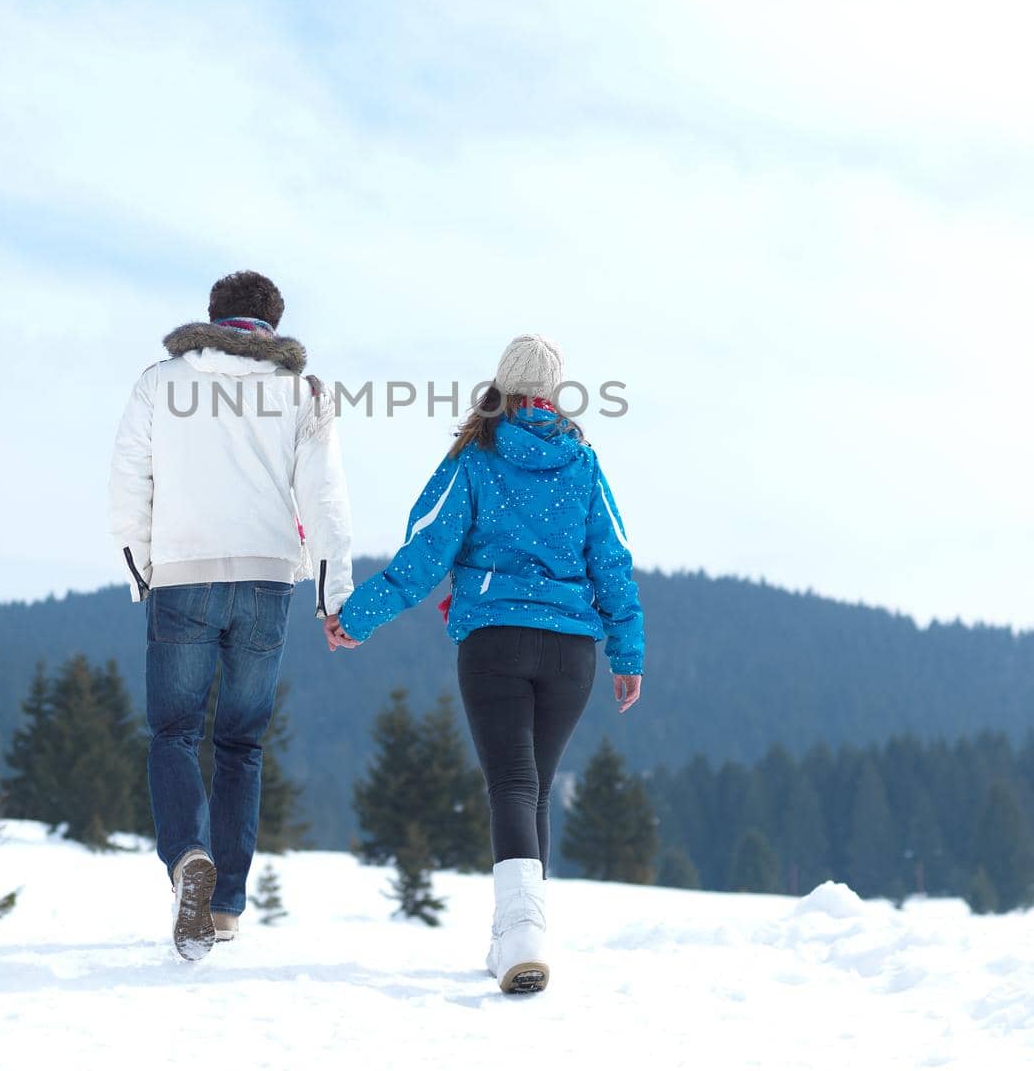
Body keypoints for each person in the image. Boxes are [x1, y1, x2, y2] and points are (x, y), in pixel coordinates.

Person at [331, 334, 643, 995]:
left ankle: (521, 932)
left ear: (500, 385)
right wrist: (627, 651)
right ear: (555, 395)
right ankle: (518, 933)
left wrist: (354, 618)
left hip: (497, 641)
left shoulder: (476, 458)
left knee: (512, 782)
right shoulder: (584, 464)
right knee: (536, 785)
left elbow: (425, 554)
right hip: (569, 651)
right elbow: (612, 560)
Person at [109, 270, 352, 961]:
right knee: (242, 743)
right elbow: (325, 495)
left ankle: (188, 855)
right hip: (268, 582)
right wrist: (332, 595)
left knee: (175, 733)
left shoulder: (162, 381)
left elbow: (130, 477)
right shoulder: (302, 391)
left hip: (183, 580)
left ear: (214, 317)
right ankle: (223, 910)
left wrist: (141, 571)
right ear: (272, 326)